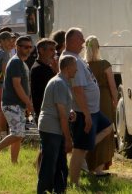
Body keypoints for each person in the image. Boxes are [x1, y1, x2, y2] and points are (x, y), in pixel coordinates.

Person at [62, 28, 113, 186]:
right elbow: (77, 90)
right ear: (71, 41)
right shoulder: (72, 60)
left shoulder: (76, 57)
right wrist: (86, 114)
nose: (83, 42)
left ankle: (86, 149)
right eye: (80, 39)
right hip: (84, 111)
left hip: (93, 109)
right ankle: (74, 183)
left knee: (108, 127)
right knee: (79, 149)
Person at [0, 36, 34, 164]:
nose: (28, 49)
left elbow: (24, 86)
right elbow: (16, 85)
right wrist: (28, 103)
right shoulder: (16, 62)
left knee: (17, 134)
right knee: (18, 134)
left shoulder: (21, 63)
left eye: (30, 47)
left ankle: (14, 162)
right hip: (12, 103)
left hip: (18, 104)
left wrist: (26, 102)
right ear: (17, 47)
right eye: (25, 47)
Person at [37, 55, 76, 194]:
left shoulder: (63, 82)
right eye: (75, 67)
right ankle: (44, 190)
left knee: (60, 164)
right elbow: (61, 114)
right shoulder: (59, 83)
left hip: (54, 128)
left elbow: (63, 108)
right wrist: (68, 138)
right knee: (49, 164)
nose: (76, 70)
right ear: (67, 67)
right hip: (52, 129)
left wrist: (70, 111)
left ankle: (59, 190)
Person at [84, 35, 118, 176]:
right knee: (106, 131)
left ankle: (88, 164)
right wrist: (115, 102)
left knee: (92, 130)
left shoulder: (83, 65)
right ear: (98, 48)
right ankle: (99, 167)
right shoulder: (105, 64)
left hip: (88, 100)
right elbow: (113, 87)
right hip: (103, 99)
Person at [0, 31, 15, 140]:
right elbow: (5, 71)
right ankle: (3, 136)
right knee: (4, 112)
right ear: (4, 41)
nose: (11, 43)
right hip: (1, 85)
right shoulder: (4, 53)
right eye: (10, 40)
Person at [31, 38, 58, 125]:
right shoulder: (39, 69)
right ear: (41, 50)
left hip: (49, 113)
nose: (54, 53)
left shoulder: (47, 68)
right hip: (46, 114)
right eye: (51, 50)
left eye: (54, 50)